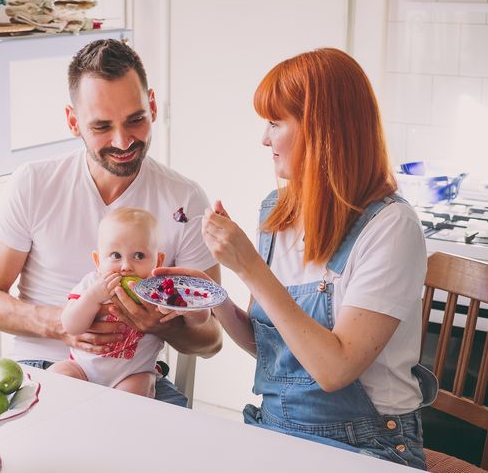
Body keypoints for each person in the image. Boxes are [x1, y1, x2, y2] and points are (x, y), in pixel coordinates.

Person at [158, 48, 437, 468]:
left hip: (367, 446)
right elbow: (272, 347)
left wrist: (247, 265)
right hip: (275, 431)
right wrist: (211, 295)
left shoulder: (392, 228)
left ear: (321, 129)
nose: (264, 139)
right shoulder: (277, 211)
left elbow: (333, 369)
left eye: (275, 122)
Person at [0, 39, 222, 406]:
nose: (123, 141)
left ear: (152, 105)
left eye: (136, 119)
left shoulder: (184, 199)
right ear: (74, 122)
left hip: (133, 373)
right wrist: (62, 323)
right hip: (44, 366)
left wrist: (160, 324)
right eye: (102, 126)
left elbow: (212, 339)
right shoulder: (35, 183)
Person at [51, 207, 211, 397]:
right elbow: (71, 326)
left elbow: (201, 320)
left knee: (136, 388)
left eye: (139, 256)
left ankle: (118, 421)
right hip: (83, 370)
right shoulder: (91, 284)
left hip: (132, 374)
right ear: (97, 261)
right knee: (58, 375)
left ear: (158, 261)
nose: (126, 267)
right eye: (116, 256)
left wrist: (191, 308)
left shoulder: (159, 290)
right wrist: (92, 298)